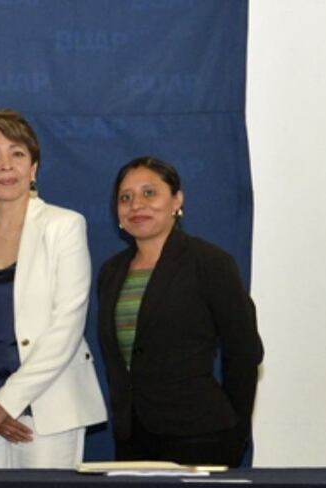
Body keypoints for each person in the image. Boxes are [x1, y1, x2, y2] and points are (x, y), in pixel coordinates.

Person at [0, 109, 106, 469]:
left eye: (17, 153)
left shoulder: (64, 226)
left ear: (33, 167)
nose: (6, 166)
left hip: (50, 407)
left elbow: (67, 326)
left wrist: (9, 401)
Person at [97, 156, 263, 467]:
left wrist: (236, 432)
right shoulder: (111, 272)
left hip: (200, 435)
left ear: (177, 200)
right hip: (132, 438)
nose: (136, 205)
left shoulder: (209, 263)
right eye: (125, 197)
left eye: (150, 193)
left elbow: (244, 352)